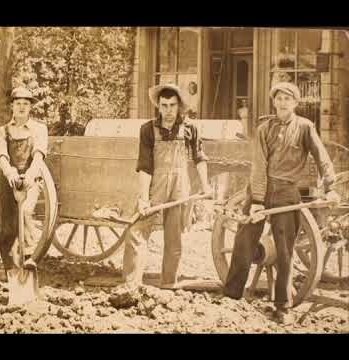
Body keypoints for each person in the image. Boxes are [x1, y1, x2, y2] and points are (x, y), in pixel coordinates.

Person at [222, 82, 341, 324]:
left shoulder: (306, 128)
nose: (283, 102)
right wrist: (256, 201)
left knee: (285, 253)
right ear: (274, 102)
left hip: (287, 193)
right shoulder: (264, 129)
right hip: (261, 189)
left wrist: (331, 187)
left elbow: (322, 158)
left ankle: (283, 307)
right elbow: (258, 165)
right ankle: (231, 297)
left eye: (288, 98)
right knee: (243, 242)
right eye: (279, 98)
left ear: (296, 103)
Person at [117, 83, 212, 291]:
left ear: (179, 106)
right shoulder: (148, 130)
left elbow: (199, 158)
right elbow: (144, 166)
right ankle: (131, 285)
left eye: (172, 105)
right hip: (155, 186)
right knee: (136, 232)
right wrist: (143, 199)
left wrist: (205, 186)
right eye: (164, 105)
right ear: (158, 106)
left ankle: (169, 283)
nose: (168, 110)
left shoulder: (190, 128)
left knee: (174, 238)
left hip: (180, 188)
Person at [0, 86, 48, 278]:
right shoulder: (3, 131)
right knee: (8, 223)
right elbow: (1, 155)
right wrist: (9, 173)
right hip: (8, 179)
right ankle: (11, 270)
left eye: (26, 104)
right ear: (12, 106)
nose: (22, 107)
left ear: (30, 107)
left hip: (31, 178)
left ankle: (29, 258)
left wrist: (31, 175)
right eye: (18, 103)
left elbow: (39, 154)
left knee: (25, 211)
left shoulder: (39, 129)